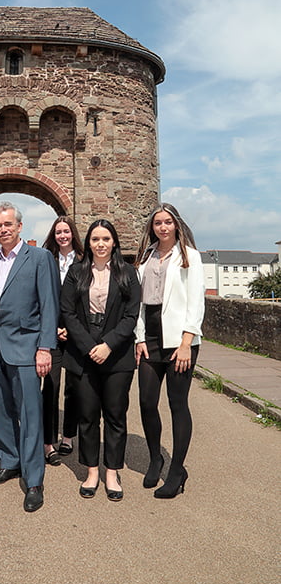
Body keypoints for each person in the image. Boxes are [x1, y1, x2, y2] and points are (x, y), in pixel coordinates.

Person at [0, 201, 60, 512]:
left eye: (8, 224)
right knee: (2, 412)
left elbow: (50, 306)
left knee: (31, 416)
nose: (3, 229)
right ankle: (10, 462)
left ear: (20, 226)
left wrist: (45, 347)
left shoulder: (39, 258)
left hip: (26, 349)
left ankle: (34, 479)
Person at [61, 219, 141, 501]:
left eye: (106, 239)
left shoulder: (127, 272)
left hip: (116, 353)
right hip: (83, 352)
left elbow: (132, 315)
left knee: (116, 416)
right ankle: (92, 470)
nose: (101, 244)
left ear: (114, 242)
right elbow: (68, 313)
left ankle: (112, 471)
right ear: (89, 243)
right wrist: (87, 346)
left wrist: (108, 345)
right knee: (87, 415)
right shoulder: (76, 272)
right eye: (95, 239)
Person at [134, 203, 204, 499]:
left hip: (179, 339)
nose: (162, 227)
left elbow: (196, 302)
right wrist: (138, 337)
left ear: (176, 225)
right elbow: (137, 301)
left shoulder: (190, 256)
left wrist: (187, 341)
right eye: (157, 223)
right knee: (147, 402)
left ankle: (176, 471)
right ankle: (155, 458)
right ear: (152, 227)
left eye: (167, 222)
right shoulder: (145, 256)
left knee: (177, 403)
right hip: (149, 335)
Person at [41, 215, 83, 464]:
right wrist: (53, 328)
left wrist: (72, 328)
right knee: (50, 386)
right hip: (52, 331)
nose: (63, 236)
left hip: (76, 333)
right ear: (53, 235)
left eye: (66, 231)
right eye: (58, 232)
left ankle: (68, 435)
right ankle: (48, 441)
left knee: (74, 388)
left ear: (73, 233)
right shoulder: (47, 258)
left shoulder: (84, 259)